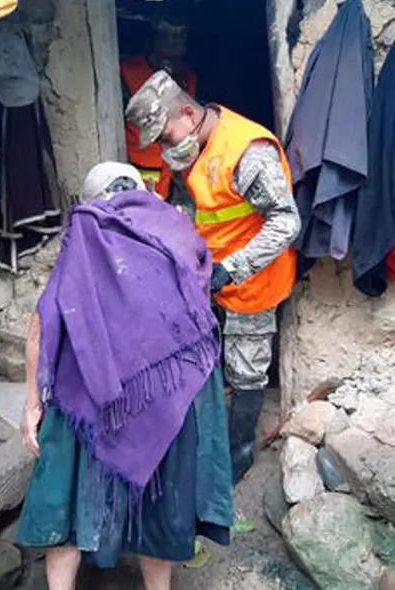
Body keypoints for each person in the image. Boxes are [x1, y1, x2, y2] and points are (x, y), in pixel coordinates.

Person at [15, 162, 233, 590]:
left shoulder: (86, 231)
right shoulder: (178, 231)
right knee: (160, 500)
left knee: (67, 498)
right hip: (170, 398)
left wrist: (32, 405)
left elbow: (44, 322)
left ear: (93, 198)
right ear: (142, 190)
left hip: (90, 394)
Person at [125, 70, 301, 483]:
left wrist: (232, 268)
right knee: (204, 356)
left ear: (187, 112)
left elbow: (286, 222)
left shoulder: (247, 150)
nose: (166, 148)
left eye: (166, 137)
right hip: (210, 276)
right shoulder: (198, 148)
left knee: (247, 371)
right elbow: (207, 210)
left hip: (253, 280)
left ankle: (237, 459)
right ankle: (207, 438)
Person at [121, 16, 197, 200]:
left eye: (181, 36)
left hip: (174, 167)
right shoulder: (128, 70)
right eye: (171, 34)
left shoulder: (187, 77)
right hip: (138, 162)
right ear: (155, 37)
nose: (177, 41)